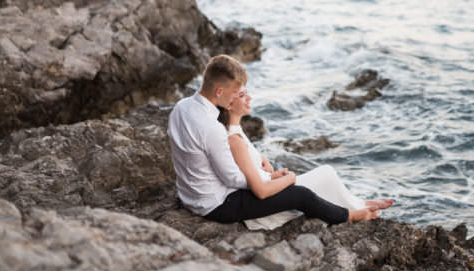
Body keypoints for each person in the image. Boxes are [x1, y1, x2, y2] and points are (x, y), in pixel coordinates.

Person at [167, 54, 378, 225]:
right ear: (219, 90)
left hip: (190, 197)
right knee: (300, 195)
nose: (235, 98)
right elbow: (233, 179)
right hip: (218, 205)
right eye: (234, 93)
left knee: (290, 188)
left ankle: (349, 204)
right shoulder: (212, 127)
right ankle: (349, 216)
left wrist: (266, 175)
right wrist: (272, 179)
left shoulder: (181, 107)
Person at [218, 88, 393, 230]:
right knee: (324, 175)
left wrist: (263, 161)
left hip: (266, 186)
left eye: (246, 92)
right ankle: (354, 211)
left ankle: (357, 203)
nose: (249, 98)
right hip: (263, 204)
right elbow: (256, 187)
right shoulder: (233, 139)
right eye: (242, 95)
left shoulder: (235, 129)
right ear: (229, 104)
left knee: (326, 175)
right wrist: (286, 179)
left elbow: (245, 166)